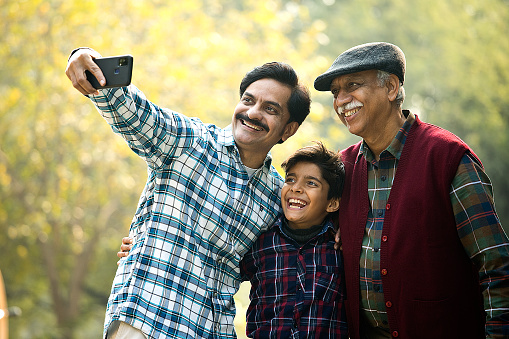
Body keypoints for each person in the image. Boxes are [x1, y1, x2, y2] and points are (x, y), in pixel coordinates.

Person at [65, 48, 311, 339]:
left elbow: (278, 256)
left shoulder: (276, 196)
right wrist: (85, 57)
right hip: (146, 322)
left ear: (288, 130)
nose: (253, 113)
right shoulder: (188, 141)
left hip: (210, 331)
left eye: (271, 109)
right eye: (248, 100)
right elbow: (133, 111)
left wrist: (337, 236)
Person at [313, 41, 509, 338]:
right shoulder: (344, 167)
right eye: (335, 92)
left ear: (391, 87)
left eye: (352, 85)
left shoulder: (447, 157)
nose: (341, 100)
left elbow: (495, 263)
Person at [120, 141, 349, 338]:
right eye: (290, 179)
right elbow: (209, 262)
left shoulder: (341, 247)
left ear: (332, 203)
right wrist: (148, 244)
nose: (296, 189)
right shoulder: (260, 242)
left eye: (311, 183)